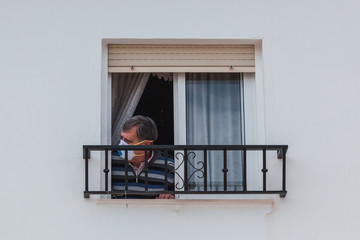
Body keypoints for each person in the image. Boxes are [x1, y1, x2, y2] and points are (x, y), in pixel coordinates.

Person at [111, 115, 174, 199]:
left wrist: (171, 198)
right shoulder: (109, 161)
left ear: (146, 144)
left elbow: (180, 198)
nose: (122, 144)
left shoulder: (169, 165)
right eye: (121, 138)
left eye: (128, 141)